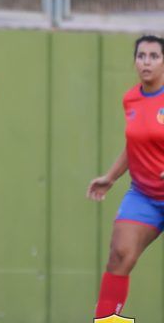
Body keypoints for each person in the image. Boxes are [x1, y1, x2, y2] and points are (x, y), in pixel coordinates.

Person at [89, 35, 164, 318]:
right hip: (144, 195)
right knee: (119, 255)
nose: (146, 62)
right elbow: (135, 144)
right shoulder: (131, 98)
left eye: (154, 56)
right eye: (141, 56)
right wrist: (110, 177)